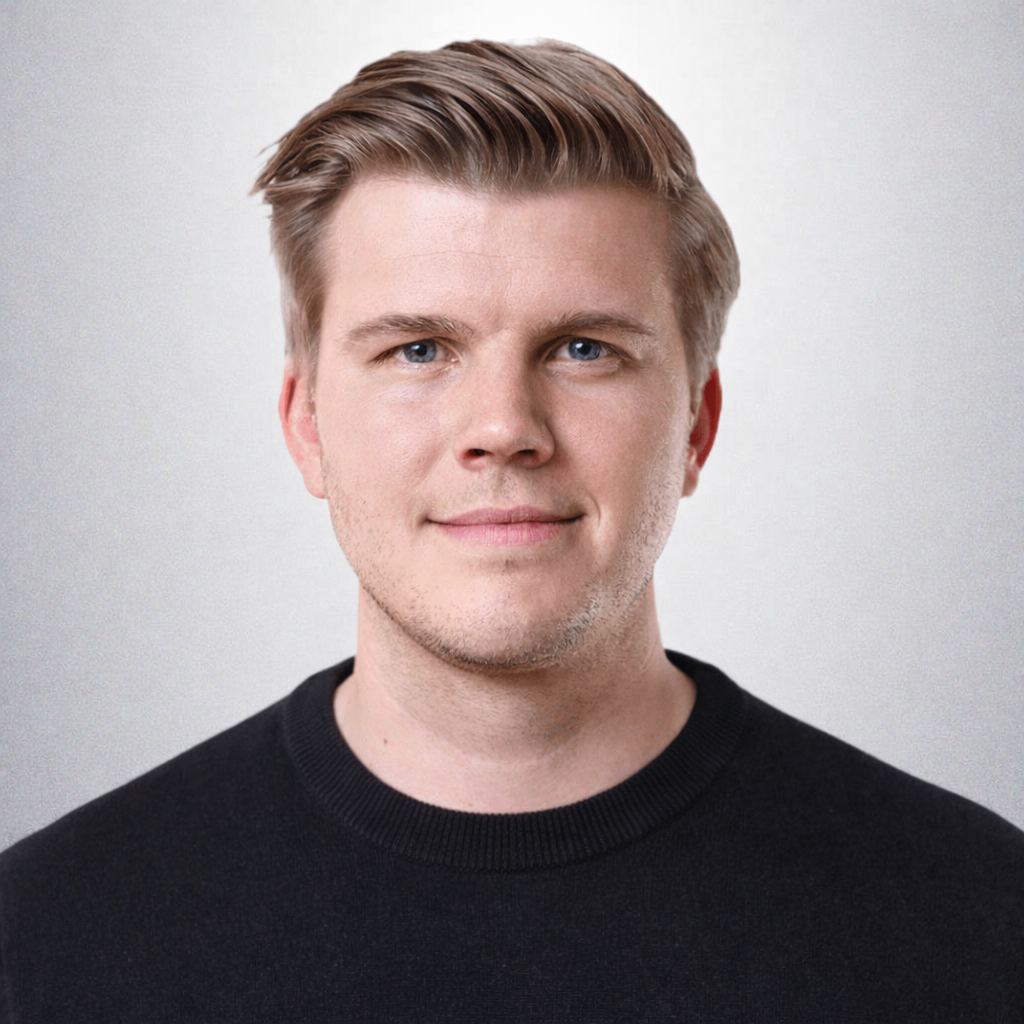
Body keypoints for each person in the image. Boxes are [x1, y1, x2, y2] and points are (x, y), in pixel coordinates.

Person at [1, 38, 1020, 1022]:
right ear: (306, 426)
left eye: (583, 348)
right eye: (417, 350)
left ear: (696, 428)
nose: (501, 428)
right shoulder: (41, 942)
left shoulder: (982, 924)